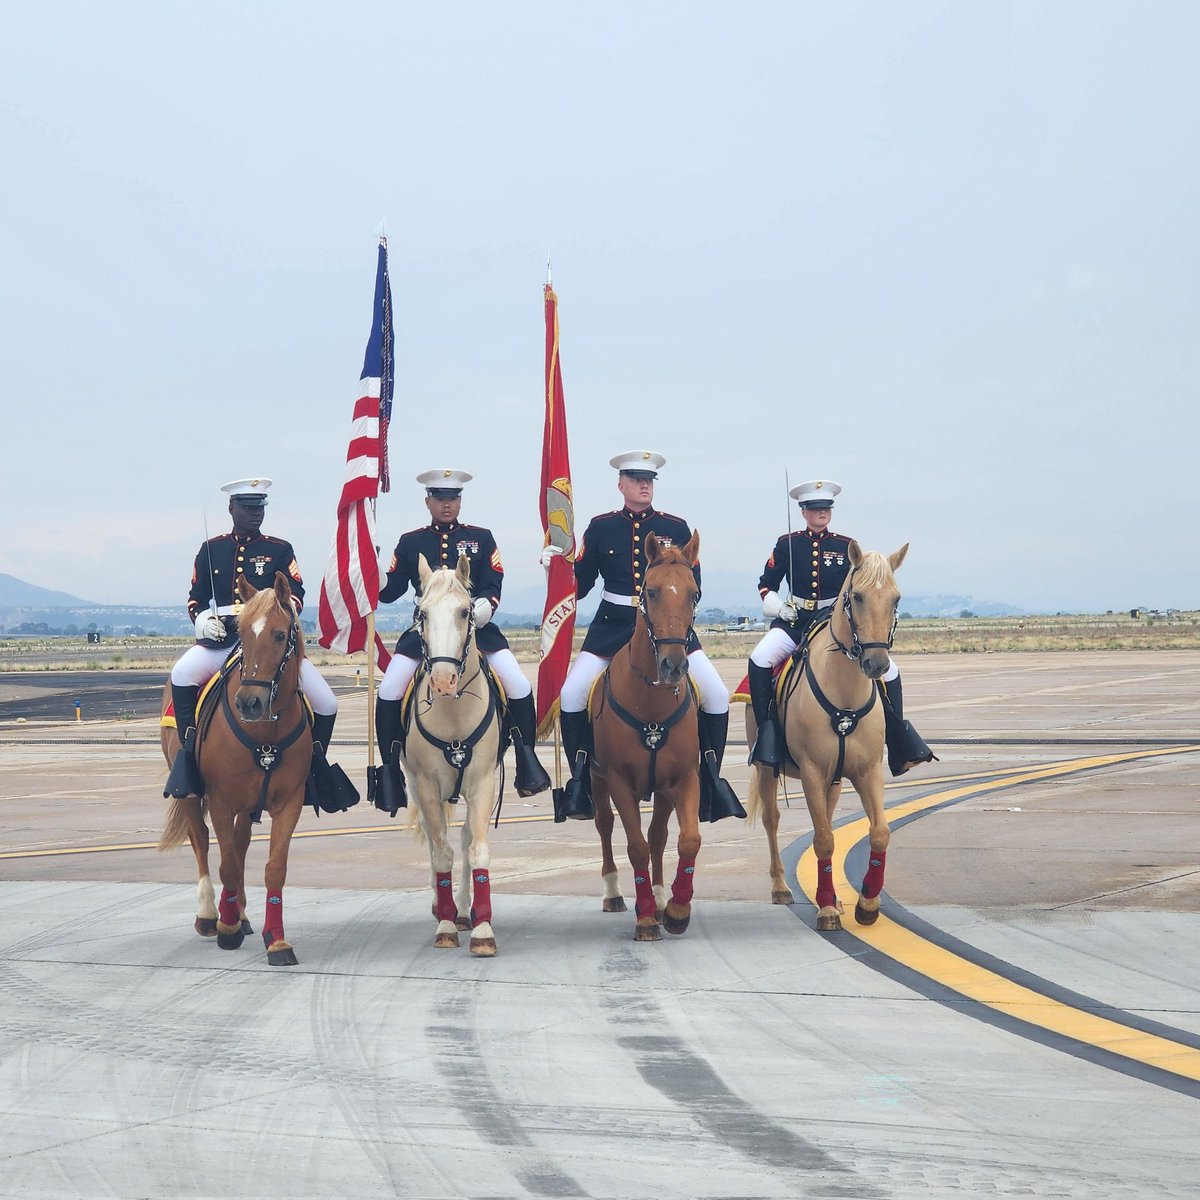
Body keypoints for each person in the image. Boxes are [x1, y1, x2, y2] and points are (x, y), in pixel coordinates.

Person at [543, 451, 742, 823]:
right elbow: (581, 585)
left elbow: (692, 585)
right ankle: (581, 780)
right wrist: (557, 569)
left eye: (648, 480)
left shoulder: (677, 527)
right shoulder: (601, 528)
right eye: (636, 480)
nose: (644, 485)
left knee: (715, 693)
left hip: (669, 629)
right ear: (621, 485)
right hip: (613, 626)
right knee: (572, 694)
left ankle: (712, 779)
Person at [163, 478, 354, 812]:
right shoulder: (212, 549)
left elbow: (295, 591)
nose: (255, 515)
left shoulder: (279, 549)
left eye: (259, 509)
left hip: (270, 642)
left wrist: (283, 609)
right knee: (181, 674)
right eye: (248, 509)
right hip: (222, 639)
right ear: (231, 509)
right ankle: (188, 758)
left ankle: (313, 767)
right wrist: (202, 619)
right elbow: (195, 597)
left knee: (327, 703)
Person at [373, 469, 550, 813]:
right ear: (428, 502)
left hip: (477, 630)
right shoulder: (411, 542)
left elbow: (493, 582)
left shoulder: (480, 539)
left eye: (452, 499)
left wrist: (483, 606)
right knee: (390, 689)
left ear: (459, 501)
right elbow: (391, 590)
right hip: (426, 636)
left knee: (518, 685)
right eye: (439, 499)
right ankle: (390, 772)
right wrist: (374, 569)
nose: (446, 505)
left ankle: (527, 761)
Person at [746, 478, 935, 775]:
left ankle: (898, 740)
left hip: (834, 626)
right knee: (759, 659)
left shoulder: (847, 547)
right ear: (804, 511)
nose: (821, 513)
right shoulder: (788, 544)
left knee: (892, 672)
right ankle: (767, 735)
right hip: (795, 623)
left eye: (825, 508)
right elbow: (765, 586)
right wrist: (780, 607)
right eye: (814, 508)